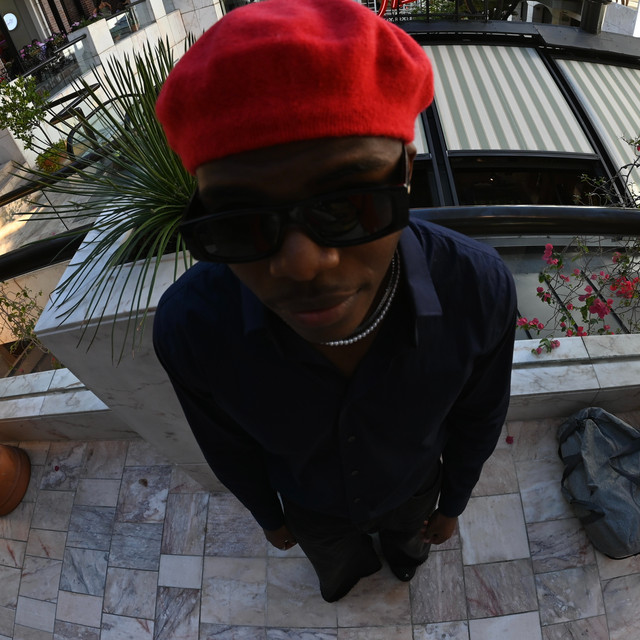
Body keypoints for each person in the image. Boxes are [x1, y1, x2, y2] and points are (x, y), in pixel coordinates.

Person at [154, 0, 516, 603]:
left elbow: (480, 415)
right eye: (240, 221)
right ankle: (346, 577)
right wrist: (269, 516)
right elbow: (227, 445)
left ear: (405, 173)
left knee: (408, 548)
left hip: (413, 492)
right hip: (312, 511)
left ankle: (404, 559)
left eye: (347, 204)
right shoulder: (191, 329)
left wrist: (452, 503)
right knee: (338, 569)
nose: (301, 264)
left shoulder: (476, 291)